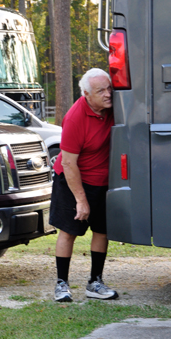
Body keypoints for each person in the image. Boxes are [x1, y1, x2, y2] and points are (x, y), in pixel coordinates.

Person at [50, 68, 118, 302]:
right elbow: (68, 164)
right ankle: (62, 284)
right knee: (69, 232)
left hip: (102, 181)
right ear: (87, 94)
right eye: (101, 91)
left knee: (102, 230)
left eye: (109, 88)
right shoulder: (75, 117)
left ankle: (95, 282)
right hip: (73, 179)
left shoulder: (112, 110)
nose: (108, 94)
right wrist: (80, 200)